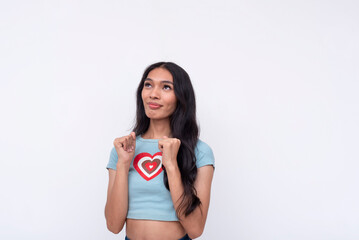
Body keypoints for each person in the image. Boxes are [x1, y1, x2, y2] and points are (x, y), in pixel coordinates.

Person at [104, 62, 215, 240]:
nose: (153, 94)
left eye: (166, 87)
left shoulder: (199, 151)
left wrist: (171, 165)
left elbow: (195, 229)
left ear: (181, 96)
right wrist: (123, 163)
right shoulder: (123, 149)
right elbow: (113, 225)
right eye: (148, 85)